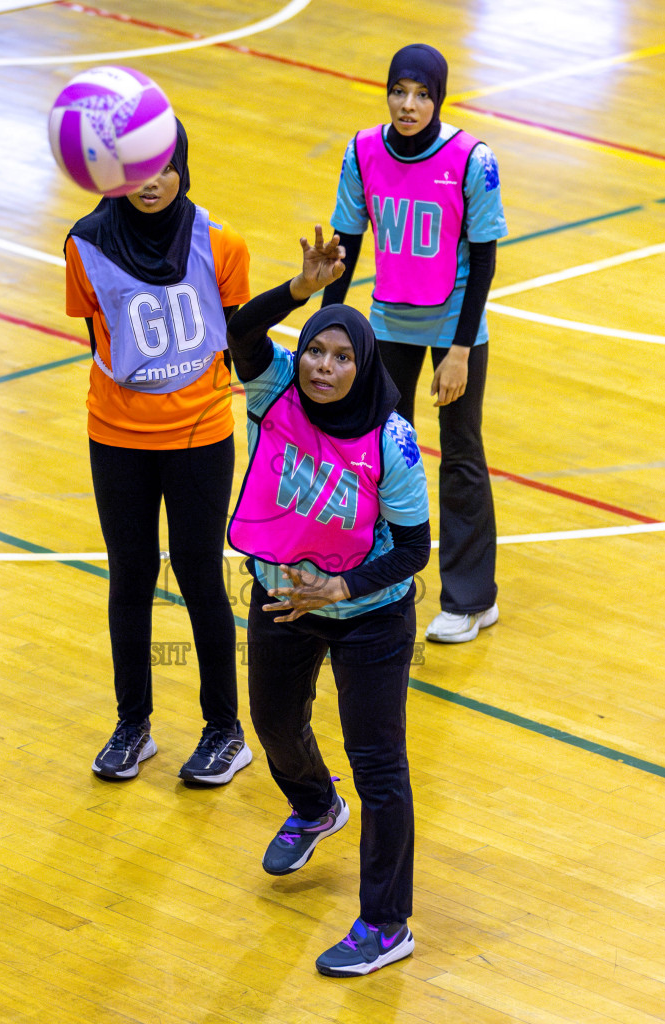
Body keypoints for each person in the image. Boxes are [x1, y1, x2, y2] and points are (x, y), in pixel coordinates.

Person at [225, 226, 430, 977]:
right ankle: (315, 805)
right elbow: (237, 330)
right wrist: (300, 291)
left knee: (380, 767)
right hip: (282, 596)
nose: (323, 366)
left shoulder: (393, 442)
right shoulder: (272, 386)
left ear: (363, 365)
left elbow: (414, 549)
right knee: (274, 722)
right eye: (316, 349)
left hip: (370, 614)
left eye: (342, 357)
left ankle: (387, 923)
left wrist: (343, 585)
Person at [64, 119, 254, 785]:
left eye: (166, 168)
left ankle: (225, 730)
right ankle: (133, 724)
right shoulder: (84, 243)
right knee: (130, 574)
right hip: (115, 434)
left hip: (200, 434)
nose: (153, 182)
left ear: (184, 169)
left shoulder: (222, 242)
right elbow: (96, 330)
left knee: (200, 574)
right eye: (139, 170)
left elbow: (237, 333)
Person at [320, 43, 508, 644]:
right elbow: (345, 247)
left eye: (422, 94)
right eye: (399, 91)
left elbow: (483, 261)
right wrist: (325, 336)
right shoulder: (363, 150)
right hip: (389, 324)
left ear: (439, 98)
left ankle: (471, 598)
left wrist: (459, 350)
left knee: (459, 454)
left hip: (455, 325)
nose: (409, 104)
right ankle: (378, 582)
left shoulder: (472, 159)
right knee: (378, 454)